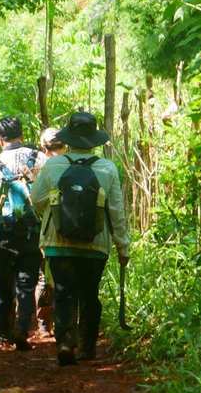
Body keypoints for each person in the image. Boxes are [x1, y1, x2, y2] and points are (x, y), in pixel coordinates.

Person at [31, 112, 130, 366]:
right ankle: (87, 347)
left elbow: (36, 199)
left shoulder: (53, 165)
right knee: (89, 293)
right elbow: (116, 210)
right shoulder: (107, 168)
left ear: (69, 140)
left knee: (64, 292)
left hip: (58, 243)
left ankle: (65, 342)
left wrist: (54, 214)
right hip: (95, 244)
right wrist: (123, 245)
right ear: (94, 140)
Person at [0, 117, 47, 351]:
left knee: (2, 284)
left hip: (3, 234)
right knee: (27, 282)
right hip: (33, 232)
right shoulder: (40, 158)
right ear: (22, 135)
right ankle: (23, 328)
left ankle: (4, 333)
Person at [35, 128, 66, 336]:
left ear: (43, 148)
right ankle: (67, 325)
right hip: (79, 232)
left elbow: (36, 200)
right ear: (64, 145)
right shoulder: (76, 163)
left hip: (49, 231)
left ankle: (44, 324)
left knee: (44, 278)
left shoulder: (42, 168)